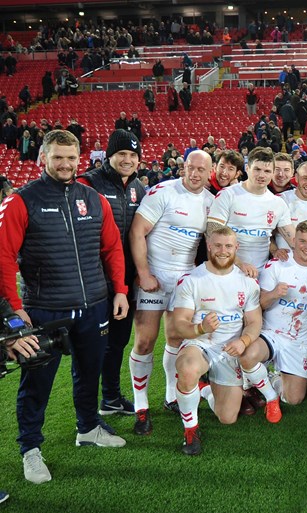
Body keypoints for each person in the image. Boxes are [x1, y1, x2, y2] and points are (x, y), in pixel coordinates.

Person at [0, 130, 130, 484]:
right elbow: (3, 258)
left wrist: (119, 290)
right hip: (44, 310)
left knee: (90, 372)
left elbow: (112, 249)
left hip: (94, 306)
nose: (65, 164)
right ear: (43, 157)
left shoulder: (94, 198)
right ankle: (30, 449)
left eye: (71, 158)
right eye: (58, 157)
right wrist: (14, 309)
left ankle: (87, 427)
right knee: (36, 383)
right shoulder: (20, 201)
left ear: (80, 159)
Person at [127, 150, 214, 436]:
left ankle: (171, 397)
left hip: (184, 280)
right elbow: (137, 231)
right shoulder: (162, 191)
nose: (195, 174)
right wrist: (144, 274)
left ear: (208, 172)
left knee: (176, 338)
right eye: (191, 167)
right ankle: (141, 407)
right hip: (155, 277)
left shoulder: (210, 201)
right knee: (145, 341)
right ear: (183, 167)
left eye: (201, 169)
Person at [170, 227, 262, 455]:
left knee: (228, 417)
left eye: (228, 246)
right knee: (188, 368)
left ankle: (206, 390)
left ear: (236, 248)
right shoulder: (192, 280)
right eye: (218, 245)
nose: (223, 251)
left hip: (229, 349)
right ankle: (190, 431)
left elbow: (254, 321)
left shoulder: (247, 282)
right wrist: (200, 328)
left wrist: (244, 341)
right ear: (209, 246)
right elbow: (179, 323)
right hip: (199, 344)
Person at [77, 129, 145, 417]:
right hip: (94, 280)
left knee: (117, 341)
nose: (127, 160)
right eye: (122, 154)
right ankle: (88, 414)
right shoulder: (87, 184)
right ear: (109, 155)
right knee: (92, 347)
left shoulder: (139, 188)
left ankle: (111, 398)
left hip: (125, 282)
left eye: (132, 155)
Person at [237, 221, 307, 408]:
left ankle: (270, 378)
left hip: (297, 339)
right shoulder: (277, 265)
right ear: (293, 240)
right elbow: (260, 304)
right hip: (271, 333)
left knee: (294, 399)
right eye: (302, 241)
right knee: (248, 356)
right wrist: (274, 293)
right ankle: (268, 394)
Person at [206, 147, 295, 275]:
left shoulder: (278, 204)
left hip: (261, 273)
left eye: (267, 171)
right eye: (257, 169)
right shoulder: (228, 195)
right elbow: (212, 233)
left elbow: (294, 240)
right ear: (247, 168)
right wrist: (239, 263)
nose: (262, 175)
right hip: (229, 270)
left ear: (272, 173)